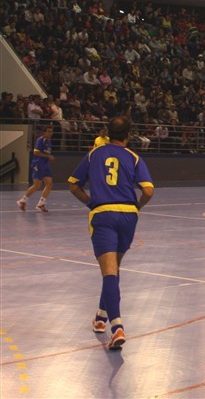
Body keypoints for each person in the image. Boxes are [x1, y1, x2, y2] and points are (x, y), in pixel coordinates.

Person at [67, 117, 154, 350]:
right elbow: (148, 190)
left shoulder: (94, 154)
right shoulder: (134, 157)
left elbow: (73, 184)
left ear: (107, 133)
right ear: (128, 135)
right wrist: (137, 207)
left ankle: (117, 328)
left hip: (103, 214)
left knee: (109, 273)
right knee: (113, 271)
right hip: (128, 216)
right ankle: (100, 318)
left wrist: (90, 204)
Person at [17, 124, 55, 212]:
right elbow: (36, 152)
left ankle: (41, 204)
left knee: (49, 184)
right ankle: (22, 201)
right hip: (38, 164)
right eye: (48, 132)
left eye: (51, 132)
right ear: (44, 132)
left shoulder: (49, 141)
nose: (50, 133)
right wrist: (48, 156)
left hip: (45, 165)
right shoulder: (40, 140)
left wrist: (48, 157)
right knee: (37, 185)